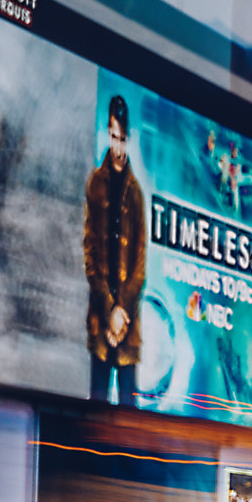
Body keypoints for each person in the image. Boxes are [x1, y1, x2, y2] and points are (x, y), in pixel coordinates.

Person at [84, 92, 146, 406]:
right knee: (94, 417)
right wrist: (109, 311)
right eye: (112, 137)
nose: (117, 147)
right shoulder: (95, 184)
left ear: (129, 137)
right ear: (107, 135)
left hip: (128, 328)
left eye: (121, 138)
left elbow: (140, 268)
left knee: (128, 422)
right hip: (100, 323)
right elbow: (90, 258)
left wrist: (121, 315)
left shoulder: (136, 195)